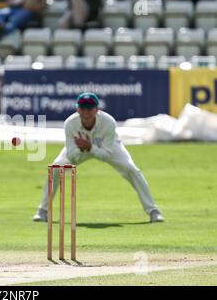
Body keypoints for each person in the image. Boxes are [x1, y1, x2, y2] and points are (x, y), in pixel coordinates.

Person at [33, 92, 165, 223]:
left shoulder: (108, 122)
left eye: (89, 108)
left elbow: (106, 155)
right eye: (82, 108)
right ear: (77, 109)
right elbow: (71, 156)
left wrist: (90, 147)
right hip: (81, 148)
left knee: (131, 169)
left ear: (97, 109)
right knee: (56, 168)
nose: (86, 112)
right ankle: (43, 210)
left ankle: (153, 211)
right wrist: (82, 148)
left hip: (108, 147)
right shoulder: (70, 124)